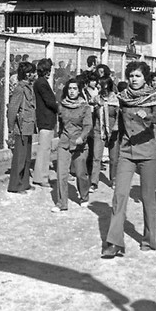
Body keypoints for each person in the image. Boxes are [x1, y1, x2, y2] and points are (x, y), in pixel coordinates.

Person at [101, 61, 156, 258]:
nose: (133, 79)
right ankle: (114, 243)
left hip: (148, 154)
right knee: (119, 196)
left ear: (145, 78)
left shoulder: (153, 97)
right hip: (127, 153)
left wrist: (149, 116)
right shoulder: (122, 98)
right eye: (131, 76)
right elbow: (117, 121)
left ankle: (148, 239)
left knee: (147, 198)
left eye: (137, 76)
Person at [52, 78, 92, 213]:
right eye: (70, 88)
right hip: (64, 143)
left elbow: (88, 125)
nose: (72, 91)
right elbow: (60, 123)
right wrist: (60, 136)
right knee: (61, 174)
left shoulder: (84, 106)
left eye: (75, 89)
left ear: (79, 90)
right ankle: (61, 203)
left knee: (81, 174)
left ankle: (84, 196)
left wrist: (82, 137)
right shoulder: (62, 105)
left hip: (79, 144)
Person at [7, 60, 36, 194]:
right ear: (26, 74)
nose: (34, 75)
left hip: (29, 126)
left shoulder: (29, 87)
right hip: (22, 127)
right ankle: (15, 185)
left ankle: (24, 183)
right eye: (31, 73)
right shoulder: (19, 89)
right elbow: (13, 109)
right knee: (19, 158)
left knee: (26, 158)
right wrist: (11, 128)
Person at [33, 58, 57, 188]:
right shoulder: (41, 83)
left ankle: (41, 176)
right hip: (45, 119)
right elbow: (49, 101)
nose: (50, 73)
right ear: (46, 71)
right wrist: (59, 107)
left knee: (45, 148)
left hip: (46, 119)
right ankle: (41, 177)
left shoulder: (41, 82)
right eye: (48, 70)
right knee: (44, 149)